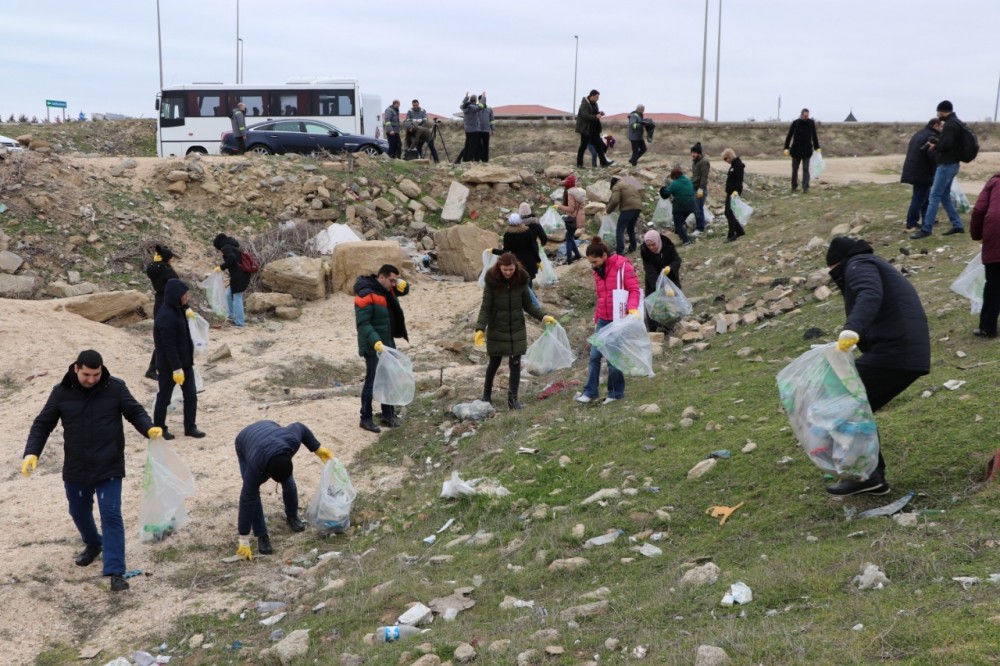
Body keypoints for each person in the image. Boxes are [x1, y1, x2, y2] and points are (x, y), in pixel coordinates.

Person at [21, 350, 161, 592]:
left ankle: (116, 571)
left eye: (96, 374)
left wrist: (148, 429)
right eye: (87, 374)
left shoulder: (115, 387)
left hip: (109, 465)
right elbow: (42, 424)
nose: (92, 379)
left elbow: (135, 412)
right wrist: (32, 452)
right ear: (76, 368)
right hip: (76, 466)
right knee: (78, 511)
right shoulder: (61, 392)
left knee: (111, 515)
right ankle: (93, 543)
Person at [824, 237, 930, 495]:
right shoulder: (871, 263)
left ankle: (868, 477)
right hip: (901, 351)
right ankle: (870, 475)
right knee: (856, 406)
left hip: (895, 352)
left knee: (841, 399)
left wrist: (852, 328)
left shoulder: (858, 264)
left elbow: (869, 294)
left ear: (839, 262)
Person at [233, 420, 334, 560]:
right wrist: (243, 537)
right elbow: (247, 499)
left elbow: (300, 427)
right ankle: (261, 535)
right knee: (253, 495)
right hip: (244, 441)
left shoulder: (291, 441)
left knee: (289, 482)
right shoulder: (255, 469)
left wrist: (316, 448)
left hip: (271, 429)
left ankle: (292, 516)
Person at [474, 252, 555, 409]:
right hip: (497, 327)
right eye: (505, 270)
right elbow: (486, 307)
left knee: (515, 364)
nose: (508, 273)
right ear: (500, 267)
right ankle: (486, 395)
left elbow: (529, 305)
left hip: (516, 328)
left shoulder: (521, 279)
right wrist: (480, 328)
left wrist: (544, 317)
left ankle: (513, 400)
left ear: (515, 267)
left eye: (511, 269)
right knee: (494, 362)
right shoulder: (492, 281)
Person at [575, 236, 641, 405]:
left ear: (604, 256)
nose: (593, 265)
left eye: (595, 261)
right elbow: (601, 296)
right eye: (591, 262)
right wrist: (597, 318)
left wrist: (632, 308)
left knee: (613, 359)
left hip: (619, 319)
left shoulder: (622, 266)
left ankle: (615, 393)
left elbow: (634, 289)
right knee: (594, 356)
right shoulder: (598, 272)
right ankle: (590, 392)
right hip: (603, 320)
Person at [354, 264, 410, 433]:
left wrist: (403, 284)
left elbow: (403, 291)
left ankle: (388, 415)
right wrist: (375, 342)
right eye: (391, 280)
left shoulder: (387, 290)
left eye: (395, 281)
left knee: (388, 379)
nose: (394, 284)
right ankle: (365, 418)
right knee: (372, 382)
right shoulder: (366, 294)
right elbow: (363, 323)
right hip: (373, 345)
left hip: (387, 342)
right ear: (382, 277)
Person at [152, 278, 205, 439]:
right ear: (176, 296)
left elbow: (184, 308)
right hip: (170, 367)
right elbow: (169, 347)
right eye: (185, 295)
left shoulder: (177, 308)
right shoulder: (166, 317)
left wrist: (188, 309)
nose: (187, 297)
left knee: (191, 395)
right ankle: (160, 428)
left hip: (185, 363)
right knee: (164, 398)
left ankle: (190, 427)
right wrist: (176, 368)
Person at [911, 101, 967, 239]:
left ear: (943, 111)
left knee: (934, 196)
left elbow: (946, 145)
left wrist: (935, 145)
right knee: (944, 196)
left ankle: (926, 228)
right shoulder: (958, 123)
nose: (937, 114)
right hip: (953, 164)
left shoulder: (950, 125)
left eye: (938, 112)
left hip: (946, 165)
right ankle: (957, 225)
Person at [970, 172, 1000, 338]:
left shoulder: (994, 182)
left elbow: (979, 210)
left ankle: (988, 328)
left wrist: (976, 234)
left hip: (996, 238)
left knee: (994, 285)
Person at [144, 243, 180, 380]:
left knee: (161, 338)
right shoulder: (167, 271)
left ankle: (157, 367)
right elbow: (176, 287)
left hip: (159, 303)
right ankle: (153, 368)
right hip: (168, 304)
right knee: (165, 340)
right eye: (171, 258)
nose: (172, 260)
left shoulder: (154, 269)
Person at [901, 119, 943, 231]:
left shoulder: (920, 133)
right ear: (936, 125)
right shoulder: (931, 137)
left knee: (926, 196)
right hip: (922, 171)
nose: (941, 129)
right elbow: (932, 155)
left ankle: (927, 219)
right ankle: (911, 222)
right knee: (919, 197)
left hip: (915, 169)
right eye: (940, 127)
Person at [640, 230, 682, 333]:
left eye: (653, 244)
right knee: (653, 303)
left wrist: (670, 268)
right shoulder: (645, 251)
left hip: (670, 277)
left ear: (658, 241)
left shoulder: (668, 245)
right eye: (648, 245)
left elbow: (677, 260)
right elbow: (649, 269)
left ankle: (669, 326)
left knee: (672, 302)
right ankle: (653, 329)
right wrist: (658, 285)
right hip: (653, 280)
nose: (651, 247)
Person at [212, 233, 250, 327]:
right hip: (242, 274)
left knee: (237, 297)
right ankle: (231, 316)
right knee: (228, 294)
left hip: (239, 276)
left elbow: (232, 258)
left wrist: (221, 267)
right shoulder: (233, 246)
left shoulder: (226, 248)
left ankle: (239, 322)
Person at [783, 108, 821, 192]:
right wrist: (786, 148)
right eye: (805, 116)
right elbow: (789, 136)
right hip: (796, 150)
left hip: (807, 150)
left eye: (807, 116)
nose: (806, 117)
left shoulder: (811, 123)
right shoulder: (795, 123)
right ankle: (794, 187)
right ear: (801, 115)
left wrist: (817, 147)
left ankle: (805, 188)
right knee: (795, 169)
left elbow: (814, 136)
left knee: (805, 169)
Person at [575, 90, 614, 169]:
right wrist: (596, 116)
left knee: (599, 146)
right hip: (586, 129)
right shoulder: (584, 104)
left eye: (598, 97)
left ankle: (604, 163)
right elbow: (585, 115)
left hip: (594, 130)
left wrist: (600, 113)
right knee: (583, 146)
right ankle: (579, 164)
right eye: (596, 97)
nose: (597, 99)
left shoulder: (595, 104)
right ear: (591, 96)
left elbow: (594, 113)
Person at [659, 166, 696, 246]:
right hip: (691, 205)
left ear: (674, 176)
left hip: (680, 206)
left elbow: (666, 193)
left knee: (678, 224)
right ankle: (679, 235)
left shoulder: (675, 183)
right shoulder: (688, 180)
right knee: (680, 222)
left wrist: (662, 189)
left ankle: (686, 240)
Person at [607, 176, 642, 255]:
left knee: (620, 229)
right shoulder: (630, 182)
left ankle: (620, 251)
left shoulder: (616, 186)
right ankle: (633, 247)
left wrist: (608, 210)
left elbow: (615, 200)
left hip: (627, 209)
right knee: (630, 228)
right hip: (638, 207)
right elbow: (641, 189)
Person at [557, 175, 586, 265]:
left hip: (573, 218)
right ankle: (577, 254)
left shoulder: (570, 193)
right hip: (580, 216)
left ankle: (569, 259)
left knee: (568, 238)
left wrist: (559, 206)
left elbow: (571, 208)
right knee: (570, 236)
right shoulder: (580, 191)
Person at [721, 148, 746, 243]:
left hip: (734, 192)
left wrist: (736, 190)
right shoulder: (733, 165)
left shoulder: (738, 166)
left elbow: (739, 180)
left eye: (726, 158)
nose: (725, 161)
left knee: (729, 212)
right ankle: (739, 231)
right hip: (730, 192)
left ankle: (731, 234)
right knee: (728, 212)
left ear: (730, 156)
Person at [690, 143, 711, 234]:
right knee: (696, 208)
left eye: (694, 153)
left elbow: (704, 177)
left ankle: (699, 228)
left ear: (699, 153)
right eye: (692, 152)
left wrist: (701, 188)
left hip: (700, 189)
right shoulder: (695, 162)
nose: (692, 154)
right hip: (694, 188)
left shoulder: (704, 162)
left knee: (698, 209)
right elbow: (695, 176)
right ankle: (701, 224)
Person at [460, 92, 483, 163]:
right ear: (476, 100)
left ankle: (465, 159)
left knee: (467, 144)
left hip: (467, 129)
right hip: (474, 129)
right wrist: (483, 98)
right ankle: (470, 159)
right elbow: (481, 107)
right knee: (472, 146)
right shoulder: (473, 108)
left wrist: (466, 98)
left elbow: (462, 104)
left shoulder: (464, 107)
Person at [478, 94, 494, 163]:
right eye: (482, 100)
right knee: (478, 145)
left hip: (486, 130)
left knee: (486, 145)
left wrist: (493, 129)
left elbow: (492, 119)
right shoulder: (476, 108)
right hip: (477, 130)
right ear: (479, 101)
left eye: (485, 100)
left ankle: (485, 160)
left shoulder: (489, 109)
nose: (484, 101)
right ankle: (478, 158)